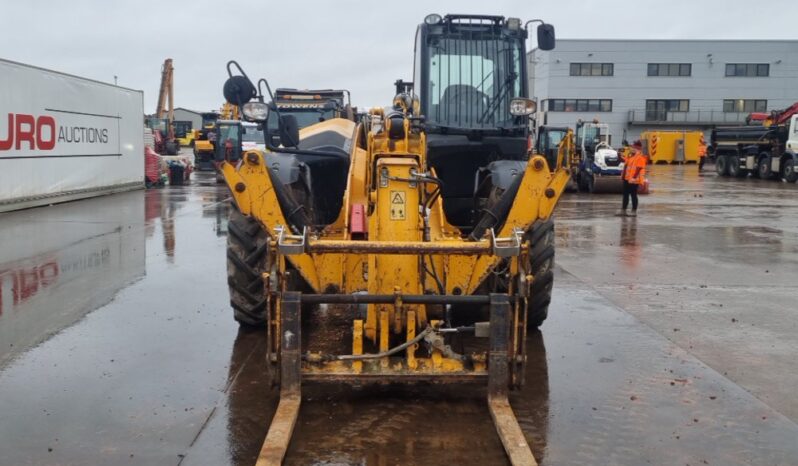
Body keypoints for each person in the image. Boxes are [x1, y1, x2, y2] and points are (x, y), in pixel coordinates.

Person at [617, 141, 647, 217]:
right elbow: (624, 161)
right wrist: (618, 155)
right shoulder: (631, 156)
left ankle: (634, 211)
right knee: (625, 195)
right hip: (627, 179)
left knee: (633, 195)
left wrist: (633, 178)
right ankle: (623, 210)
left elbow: (639, 168)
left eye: (633, 148)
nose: (632, 149)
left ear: (638, 149)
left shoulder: (640, 157)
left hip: (634, 180)